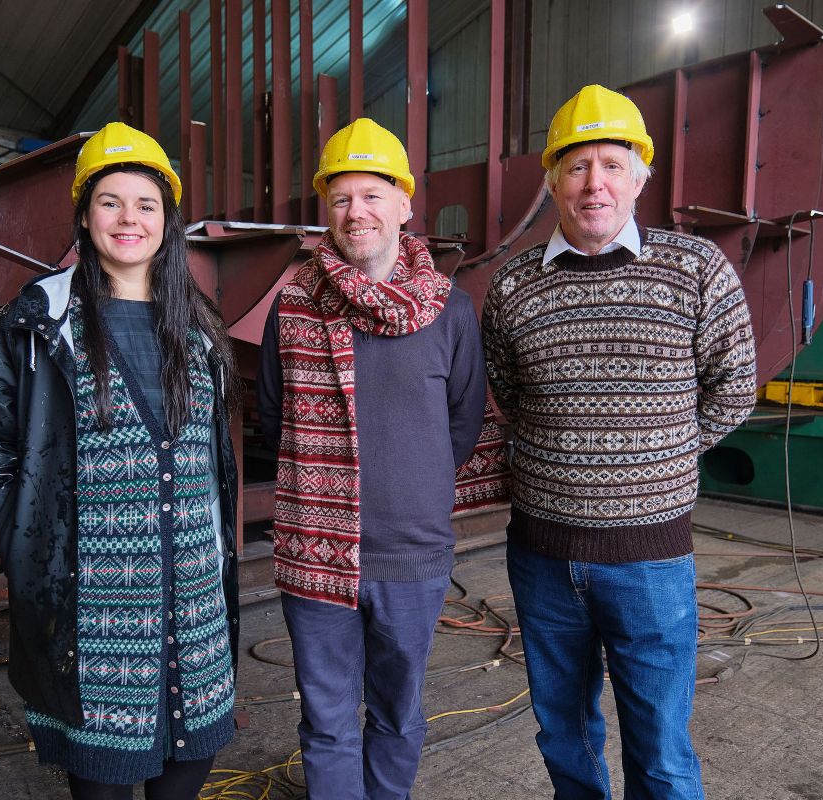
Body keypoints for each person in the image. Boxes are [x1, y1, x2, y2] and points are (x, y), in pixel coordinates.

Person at [482, 85, 757, 799]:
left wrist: (657, 458)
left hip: (650, 562)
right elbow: (509, 395)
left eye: (612, 164)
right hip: (542, 558)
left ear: (641, 176)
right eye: (575, 167)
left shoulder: (696, 269)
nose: (594, 183)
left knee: (661, 750)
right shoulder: (513, 286)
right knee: (563, 735)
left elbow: (735, 387)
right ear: (551, 181)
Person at [0, 122, 240, 800]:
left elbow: (211, 456)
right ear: (85, 217)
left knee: (187, 773)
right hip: (96, 619)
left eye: (146, 204)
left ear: (167, 221)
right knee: (103, 783)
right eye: (110, 202)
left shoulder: (198, 325)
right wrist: (27, 544)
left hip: (196, 609)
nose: (129, 218)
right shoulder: (40, 320)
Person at [256, 117, 488, 800]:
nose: (355, 212)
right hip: (313, 551)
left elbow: (464, 421)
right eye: (340, 198)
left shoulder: (449, 309)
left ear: (405, 204)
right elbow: (274, 416)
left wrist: (409, 487)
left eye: (371, 195)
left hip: (411, 558)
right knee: (327, 722)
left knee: (397, 712)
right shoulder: (293, 302)